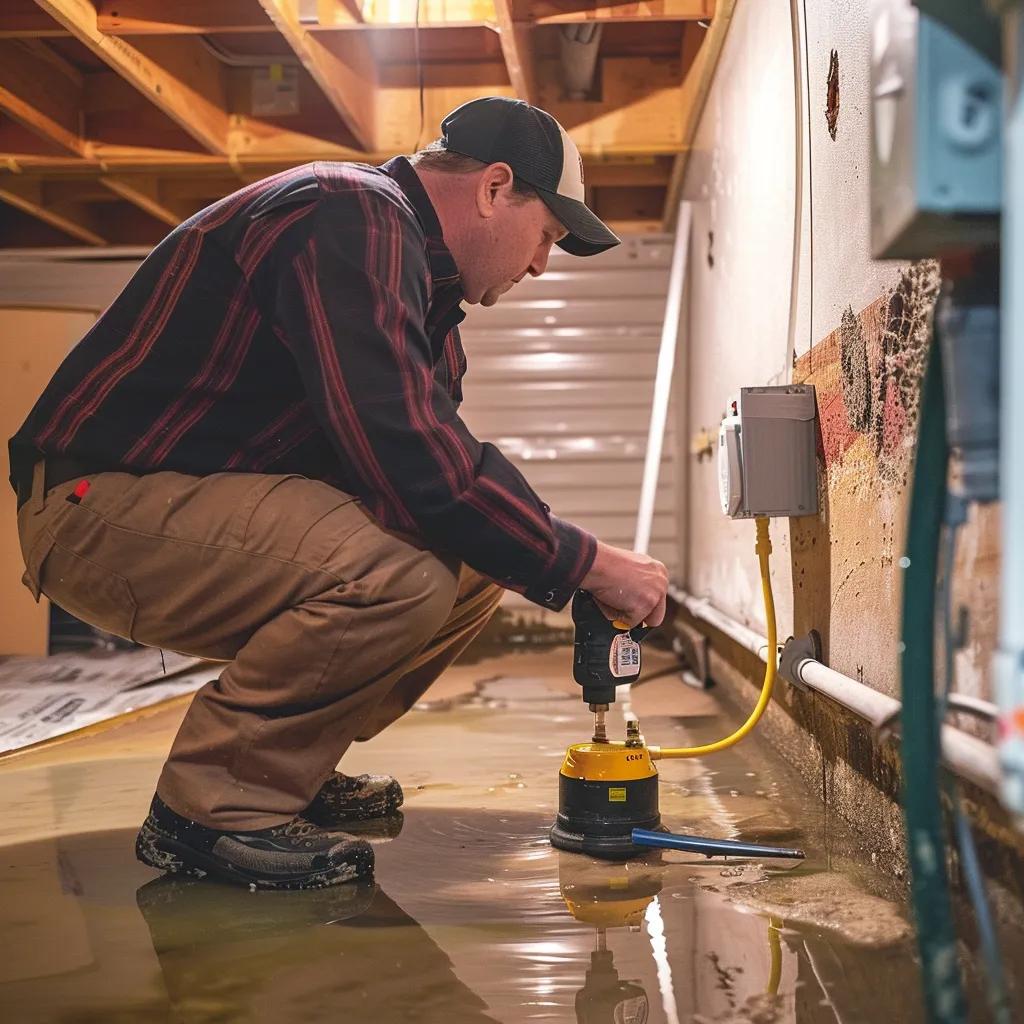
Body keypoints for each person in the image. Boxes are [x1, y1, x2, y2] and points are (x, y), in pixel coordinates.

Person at [9, 96, 669, 890]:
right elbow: (411, 454)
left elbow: (440, 474)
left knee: (473, 565)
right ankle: (211, 811)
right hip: (96, 506)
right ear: (496, 189)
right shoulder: (347, 214)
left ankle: (287, 766)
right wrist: (588, 561)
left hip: (183, 502)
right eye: (548, 236)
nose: (540, 267)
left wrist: (554, 553)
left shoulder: (422, 295)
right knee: (399, 574)